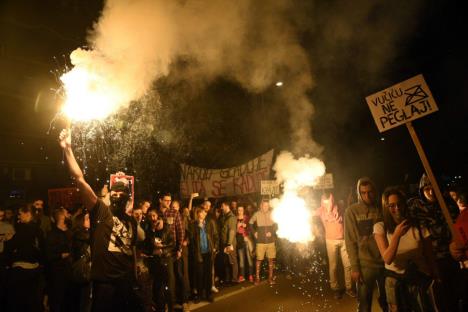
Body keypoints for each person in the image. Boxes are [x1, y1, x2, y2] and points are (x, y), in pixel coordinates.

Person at [59, 128, 143, 312]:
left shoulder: (131, 222)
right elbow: (80, 179)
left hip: (126, 284)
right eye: (115, 192)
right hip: (105, 286)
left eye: (122, 193)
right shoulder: (102, 212)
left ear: (128, 198)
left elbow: (134, 250)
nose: (118, 195)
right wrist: (68, 149)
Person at [374, 187, 438, 311]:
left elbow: (429, 255)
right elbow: (387, 258)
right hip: (395, 284)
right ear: (386, 207)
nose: (397, 208)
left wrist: (436, 274)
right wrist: (397, 235)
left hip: (420, 280)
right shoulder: (380, 227)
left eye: (399, 204)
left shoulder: (418, 225)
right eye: (392, 205)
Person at [408, 173, 462, 311]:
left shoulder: (448, 204)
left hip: (450, 258)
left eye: (434, 188)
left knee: (454, 298)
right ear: (421, 189)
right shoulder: (414, 206)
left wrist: (456, 243)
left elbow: (458, 227)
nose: (431, 192)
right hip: (428, 262)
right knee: (435, 302)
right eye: (427, 189)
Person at [344, 177, 387, 312]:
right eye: (363, 193)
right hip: (365, 266)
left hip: (385, 263)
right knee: (364, 304)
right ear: (359, 193)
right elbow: (350, 241)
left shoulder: (382, 208)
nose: (367, 195)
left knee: (388, 302)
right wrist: (355, 267)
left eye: (370, 192)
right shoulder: (351, 212)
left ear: (374, 191)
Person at [4, 204, 45, 312]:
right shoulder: (39, 230)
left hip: (21, 272)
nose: (18, 217)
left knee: (19, 302)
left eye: (20, 214)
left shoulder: (23, 230)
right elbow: (42, 250)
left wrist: (8, 240)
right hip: (35, 271)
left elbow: (12, 246)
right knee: (33, 301)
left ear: (28, 214)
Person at [317, 191, 354, 299]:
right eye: (325, 201)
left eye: (329, 201)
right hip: (330, 241)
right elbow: (309, 212)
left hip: (343, 240)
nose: (328, 204)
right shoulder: (321, 211)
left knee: (348, 265)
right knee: (333, 266)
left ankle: (349, 288)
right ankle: (335, 289)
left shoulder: (340, 205)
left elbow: (348, 204)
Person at [143, 209, 174, 312]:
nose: (153, 218)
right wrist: (152, 230)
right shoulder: (149, 229)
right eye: (150, 216)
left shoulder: (167, 229)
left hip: (165, 259)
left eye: (154, 216)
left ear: (159, 217)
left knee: (168, 285)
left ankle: (170, 306)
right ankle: (160, 307)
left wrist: (163, 250)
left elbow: (173, 244)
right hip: (155, 262)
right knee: (157, 286)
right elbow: (148, 244)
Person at [46, 207, 74, 312]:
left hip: (71, 273)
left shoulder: (71, 232)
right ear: (61, 216)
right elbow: (48, 255)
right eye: (67, 213)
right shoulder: (52, 235)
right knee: (59, 302)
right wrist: (61, 255)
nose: (70, 215)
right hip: (58, 275)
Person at [189, 207, 218, 303]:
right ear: (198, 214)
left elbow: (215, 235)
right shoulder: (193, 225)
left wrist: (214, 247)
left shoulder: (210, 223)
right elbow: (192, 240)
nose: (204, 213)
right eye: (202, 212)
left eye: (204, 212)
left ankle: (208, 294)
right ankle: (200, 295)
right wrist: (194, 252)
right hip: (199, 253)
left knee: (208, 274)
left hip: (208, 252)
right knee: (199, 275)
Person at [249, 198, 278, 285]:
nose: (266, 207)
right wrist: (254, 233)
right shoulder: (257, 214)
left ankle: (270, 278)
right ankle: (257, 279)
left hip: (270, 241)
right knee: (259, 260)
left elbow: (276, 224)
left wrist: (272, 232)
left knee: (271, 260)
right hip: (260, 242)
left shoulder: (272, 214)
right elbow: (250, 223)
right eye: (264, 206)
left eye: (267, 206)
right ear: (261, 205)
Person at [70, 211, 92, 312]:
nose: (90, 220)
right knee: (85, 299)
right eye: (87, 219)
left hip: (85, 269)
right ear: (80, 222)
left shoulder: (84, 234)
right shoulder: (81, 235)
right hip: (84, 270)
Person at [219, 201, 238, 284]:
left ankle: (234, 279)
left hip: (230, 243)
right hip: (225, 242)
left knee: (232, 260)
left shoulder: (231, 217)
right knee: (226, 261)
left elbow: (232, 231)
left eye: (222, 206)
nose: (221, 208)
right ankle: (227, 278)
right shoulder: (224, 216)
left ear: (227, 206)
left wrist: (229, 244)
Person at [236, 204, 254, 283]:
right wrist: (237, 227)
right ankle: (242, 276)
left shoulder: (247, 218)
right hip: (239, 241)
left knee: (249, 258)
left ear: (243, 211)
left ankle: (250, 275)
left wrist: (246, 226)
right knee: (241, 259)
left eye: (241, 210)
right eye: (239, 210)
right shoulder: (235, 218)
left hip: (246, 240)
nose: (240, 211)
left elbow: (251, 229)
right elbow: (234, 232)